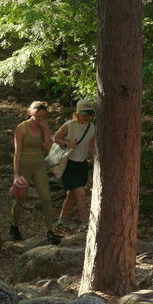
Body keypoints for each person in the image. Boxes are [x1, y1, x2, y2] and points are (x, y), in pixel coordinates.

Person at [9, 100, 62, 245]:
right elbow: (17, 152)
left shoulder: (43, 127)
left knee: (46, 198)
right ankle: (14, 226)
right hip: (24, 165)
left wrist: (46, 130)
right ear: (30, 113)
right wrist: (16, 174)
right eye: (38, 116)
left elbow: (49, 150)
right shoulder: (21, 128)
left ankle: (50, 231)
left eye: (44, 117)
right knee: (21, 198)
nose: (41, 119)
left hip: (39, 165)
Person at [53, 98, 97, 229]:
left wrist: (96, 160)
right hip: (69, 165)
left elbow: (91, 145)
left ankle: (61, 220)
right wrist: (68, 143)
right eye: (84, 114)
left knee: (72, 195)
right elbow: (56, 138)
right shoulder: (69, 125)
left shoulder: (92, 127)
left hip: (82, 165)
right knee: (81, 193)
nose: (87, 117)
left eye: (90, 114)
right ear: (77, 113)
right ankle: (85, 223)